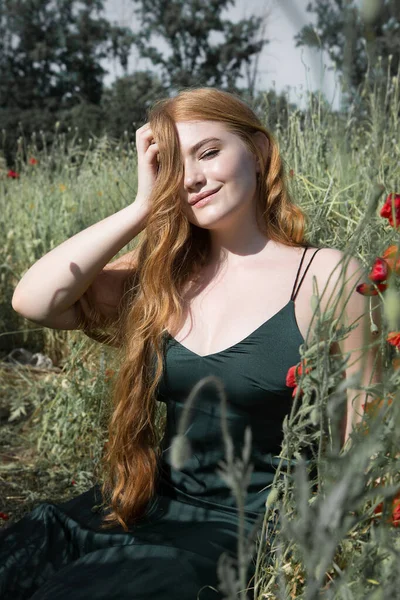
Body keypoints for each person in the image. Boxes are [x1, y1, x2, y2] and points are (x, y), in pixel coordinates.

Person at [1, 88, 381, 599]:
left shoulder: (325, 276)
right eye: (174, 165)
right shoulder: (160, 278)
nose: (193, 179)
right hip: (145, 504)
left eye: (208, 152)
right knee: (25, 552)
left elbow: (365, 426)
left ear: (258, 150)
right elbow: (34, 300)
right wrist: (142, 208)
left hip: (244, 532)